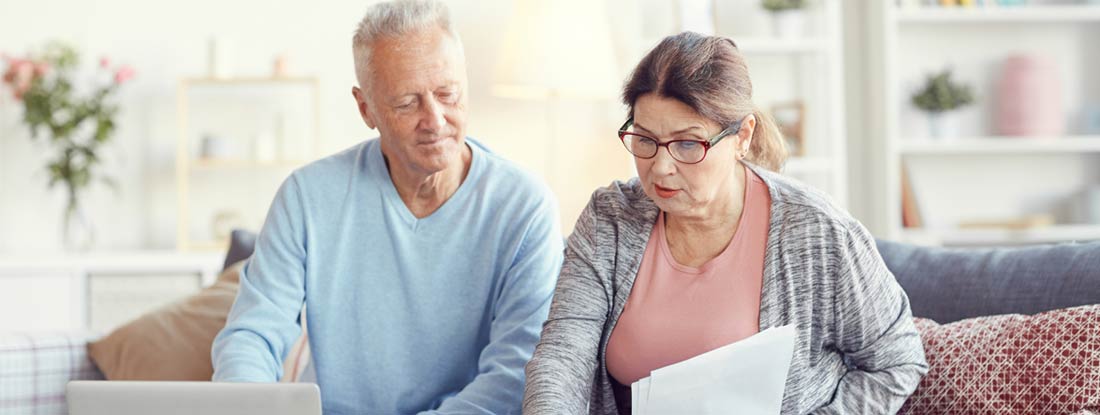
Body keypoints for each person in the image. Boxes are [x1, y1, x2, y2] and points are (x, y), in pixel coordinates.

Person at [523, 32, 928, 414]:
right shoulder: (609, 218)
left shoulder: (818, 232)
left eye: (688, 143)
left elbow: (897, 361)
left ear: (742, 136)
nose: (661, 168)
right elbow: (563, 355)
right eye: (645, 139)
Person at [212, 1, 564, 413]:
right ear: (367, 109)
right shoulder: (307, 198)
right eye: (407, 103)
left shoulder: (525, 208)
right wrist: (243, 401)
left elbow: (514, 374)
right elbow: (252, 335)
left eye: (448, 94)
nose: (435, 119)